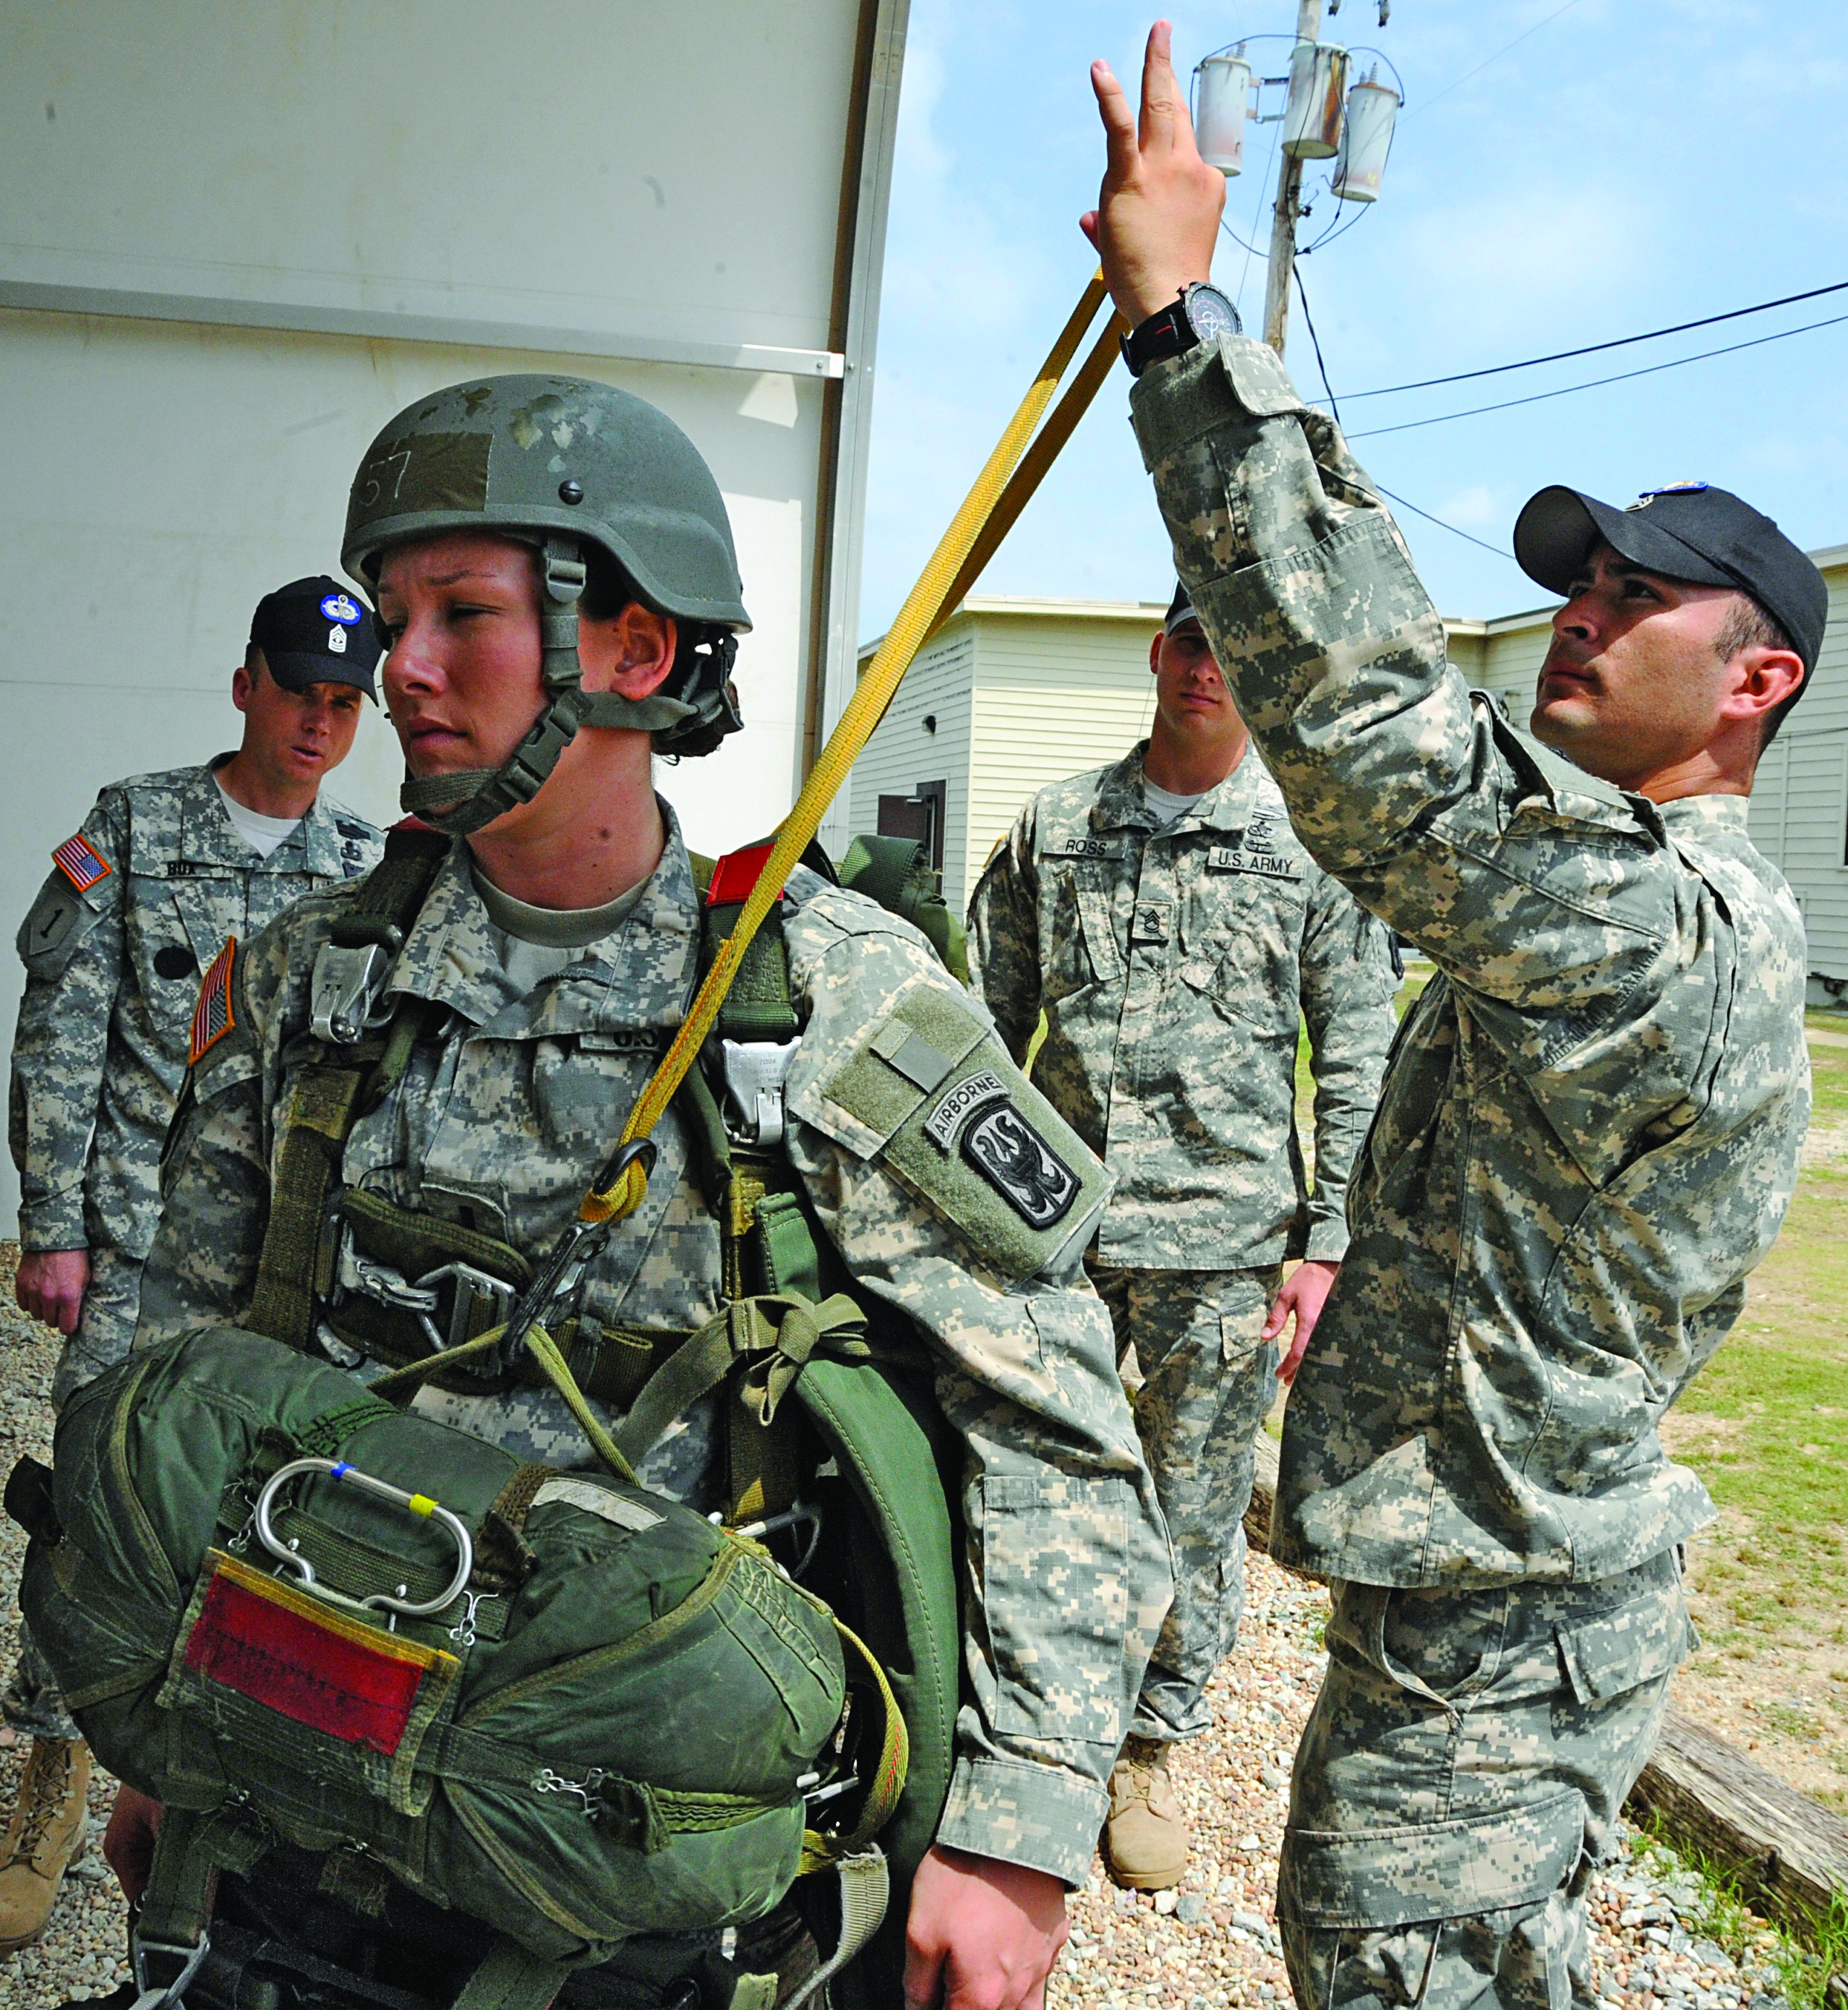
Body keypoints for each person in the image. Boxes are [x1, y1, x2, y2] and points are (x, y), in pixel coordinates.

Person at [117, 374, 1171, 2010]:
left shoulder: (819, 1008)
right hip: (296, 1807)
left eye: (462, 611)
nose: (397, 665)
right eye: (395, 613)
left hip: (636, 1868)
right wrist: (158, 1716)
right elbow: (192, 1362)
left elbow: (1053, 1427)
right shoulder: (311, 983)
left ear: (639, 652)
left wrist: (1021, 1830)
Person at [1082, 25, 1821, 2009]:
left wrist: (1184, 334)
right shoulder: (1613, 897)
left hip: (1508, 1622)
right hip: (1481, 1597)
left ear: (1752, 682)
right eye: (1575, 573)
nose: (1579, 601)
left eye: (1636, 590)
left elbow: (1386, 749)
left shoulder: (1668, 926)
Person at [966, 584, 1395, 1890]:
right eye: (1195, 640)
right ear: (1159, 653)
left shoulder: (1311, 850)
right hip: (1059, 1237)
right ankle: (1034, 1725)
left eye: (1238, 650)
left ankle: (1153, 1743)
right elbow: (981, 1027)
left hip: (1227, 1251)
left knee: (1199, 1507)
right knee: (1030, 1476)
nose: (1211, 668)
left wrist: (1326, 1248)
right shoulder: (1057, 829)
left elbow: (1359, 1063)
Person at [1, 578, 383, 1951]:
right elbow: (64, 1037)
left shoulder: (363, 868)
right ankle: (46, 1780)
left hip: (279, 1284)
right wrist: (52, 1224)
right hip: (127, 1247)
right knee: (93, 1510)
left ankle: (219, 1807)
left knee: (260, 1527)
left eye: (346, 703)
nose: (318, 723)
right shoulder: (135, 824)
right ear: (244, 687)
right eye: (298, 693)